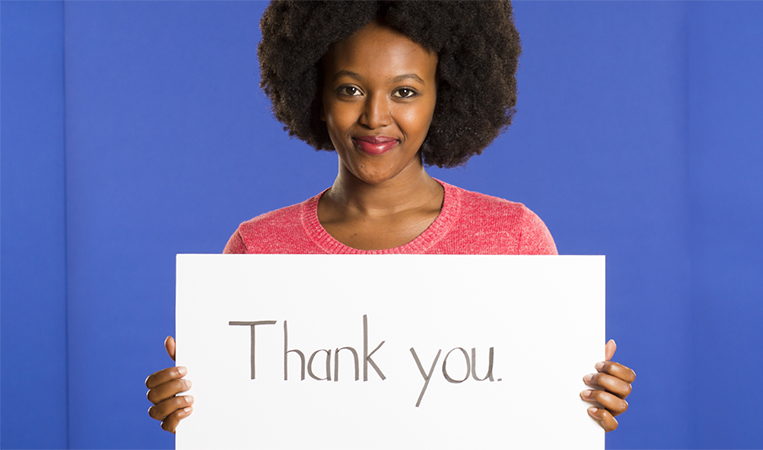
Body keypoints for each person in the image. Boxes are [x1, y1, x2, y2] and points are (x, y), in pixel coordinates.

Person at [145, 0, 636, 435]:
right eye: (350, 89)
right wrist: (194, 404)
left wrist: (586, 396)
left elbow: (533, 408)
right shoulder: (258, 247)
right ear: (315, 95)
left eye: (404, 92)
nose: (375, 117)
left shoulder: (515, 238)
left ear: (444, 95)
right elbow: (246, 420)